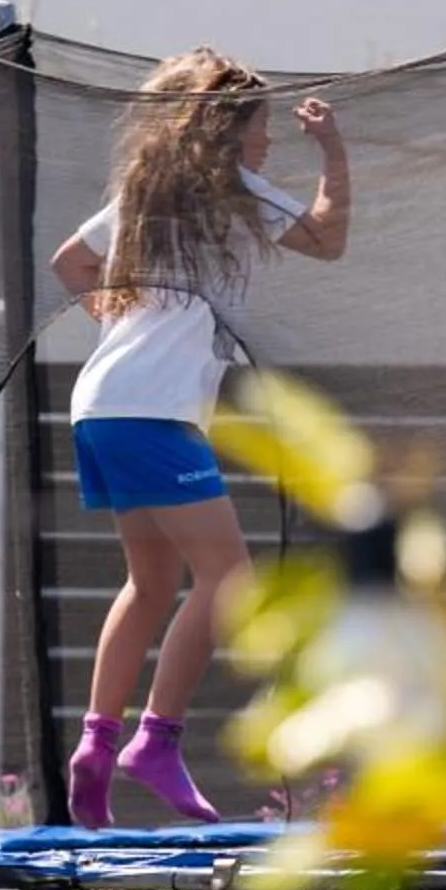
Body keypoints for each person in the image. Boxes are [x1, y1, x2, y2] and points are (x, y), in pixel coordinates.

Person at [50, 49, 350, 827]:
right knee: (229, 578)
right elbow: (327, 240)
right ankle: (155, 740)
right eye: (262, 128)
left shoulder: (142, 192)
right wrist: (334, 152)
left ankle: (93, 743)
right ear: (228, 134)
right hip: (151, 412)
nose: (269, 142)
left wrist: (114, 317)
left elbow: (70, 263)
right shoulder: (236, 190)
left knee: (151, 583)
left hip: (100, 405)